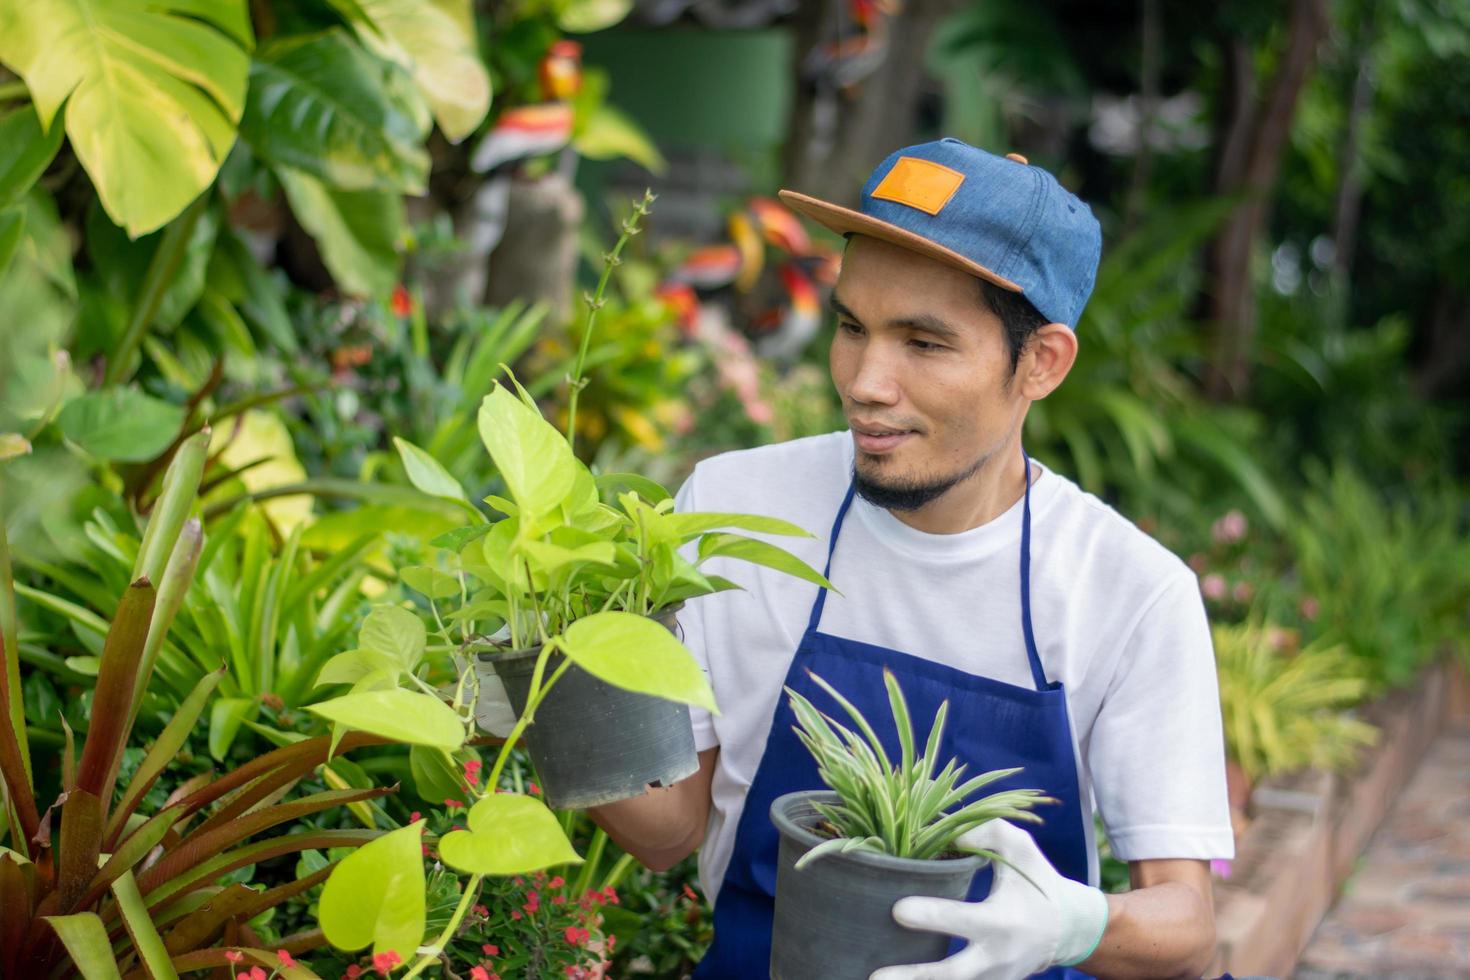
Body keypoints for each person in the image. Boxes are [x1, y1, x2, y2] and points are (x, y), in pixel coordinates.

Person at [589, 139, 1234, 978]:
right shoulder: (736, 506)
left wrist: (1076, 925)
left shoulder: (1128, 591)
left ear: (1041, 362)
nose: (865, 382)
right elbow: (668, 831)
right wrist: (556, 708)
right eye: (852, 327)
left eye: (923, 344)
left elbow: (1187, 927)